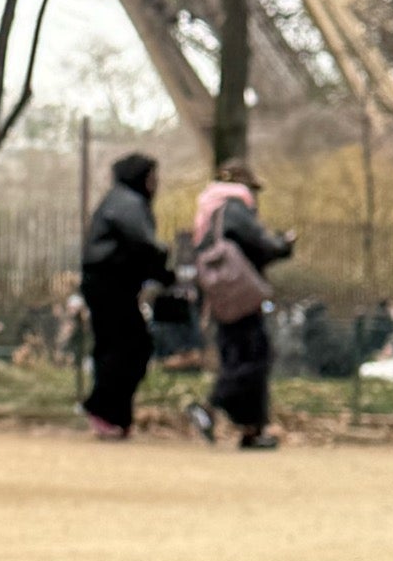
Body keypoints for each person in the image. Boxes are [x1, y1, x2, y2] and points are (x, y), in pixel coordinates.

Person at [186, 159, 297, 450]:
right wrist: (283, 245)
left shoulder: (209, 210)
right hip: (241, 296)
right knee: (256, 357)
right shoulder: (234, 207)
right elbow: (260, 245)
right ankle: (209, 408)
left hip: (222, 297)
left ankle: (252, 429)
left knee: (237, 356)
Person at [77, 148, 172, 438]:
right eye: (152, 177)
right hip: (112, 284)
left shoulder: (120, 200)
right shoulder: (128, 203)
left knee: (119, 346)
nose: (156, 183)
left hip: (110, 283)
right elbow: (142, 244)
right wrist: (164, 270)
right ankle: (103, 409)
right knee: (129, 346)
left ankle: (115, 415)